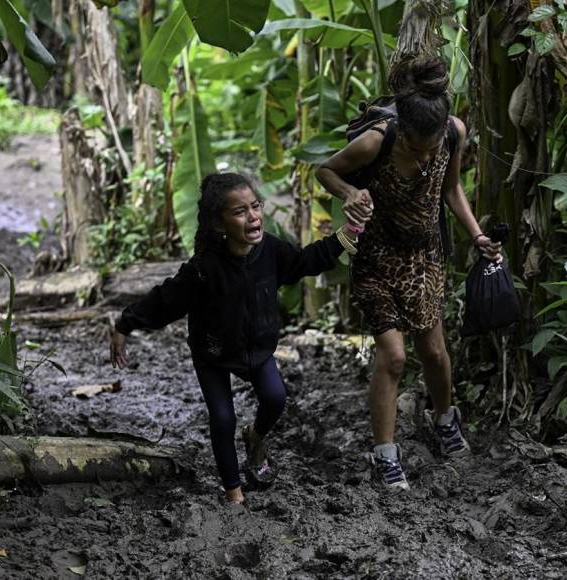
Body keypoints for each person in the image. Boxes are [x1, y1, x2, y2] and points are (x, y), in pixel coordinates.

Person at [109, 172, 368, 504]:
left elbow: (305, 262)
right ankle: (233, 492)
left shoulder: (271, 251)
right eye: (240, 211)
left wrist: (347, 234)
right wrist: (124, 324)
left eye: (256, 206)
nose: (253, 216)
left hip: (257, 350)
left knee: (276, 398)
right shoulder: (204, 268)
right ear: (220, 223)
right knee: (222, 418)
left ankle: (255, 436)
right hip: (213, 352)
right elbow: (165, 300)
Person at [316, 58, 502, 491]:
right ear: (404, 132)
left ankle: (444, 420)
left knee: (435, 352)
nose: (426, 155)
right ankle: (385, 455)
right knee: (395, 357)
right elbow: (325, 170)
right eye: (417, 148)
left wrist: (476, 236)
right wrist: (349, 192)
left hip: (424, 257)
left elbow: (451, 188)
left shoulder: (453, 133)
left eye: (432, 146)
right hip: (376, 257)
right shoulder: (376, 141)